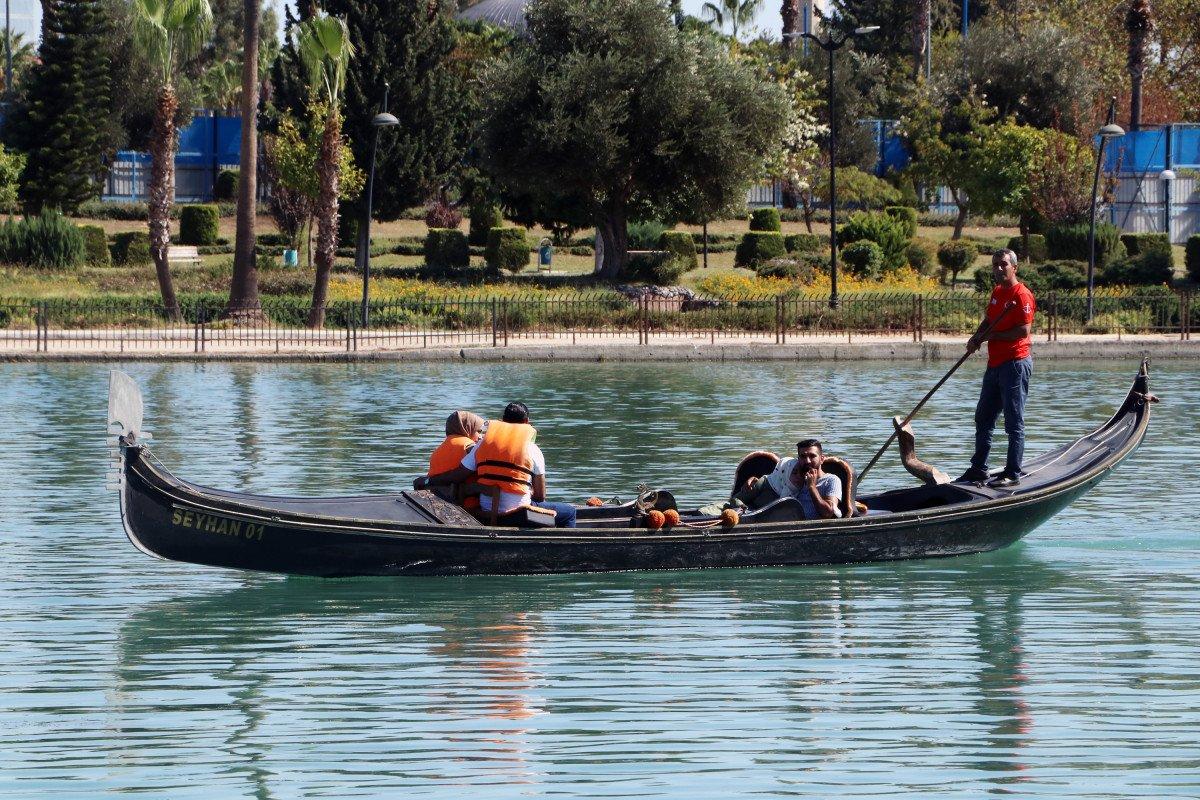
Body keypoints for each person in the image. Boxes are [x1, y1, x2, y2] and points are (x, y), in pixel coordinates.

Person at [415, 402, 577, 528]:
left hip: (486, 512)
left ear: (502, 420)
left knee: (547, 512)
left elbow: (457, 475)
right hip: (520, 516)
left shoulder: (482, 444)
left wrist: (428, 480)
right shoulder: (532, 449)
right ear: (527, 422)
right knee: (569, 513)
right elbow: (540, 497)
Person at [960, 248, 1036, 487]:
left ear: (1014, 267)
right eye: (995, 265)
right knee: (983, 417)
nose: (999, 268)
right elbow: (989, 320)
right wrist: (976, 337)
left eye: (1004, 264)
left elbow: (1023, 330)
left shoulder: (1022, 295)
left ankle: (1012, 473)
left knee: (1013, 421)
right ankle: (979, 469)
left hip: (1015, 364)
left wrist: (991, 335)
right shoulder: (997, 292)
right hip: (994, 364)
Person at [740, 439, 842, 519]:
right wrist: (756, 481)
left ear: (822, 458)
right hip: (785, 523)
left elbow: (827, 513)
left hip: (812, 528)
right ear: (798, 459)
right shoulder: (796, 478)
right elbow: (774, 482)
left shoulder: (831, 480)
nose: (807, 461)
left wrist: (812, 487)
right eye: (803, 456)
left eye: (812, 456)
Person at [427, 411, 484, 476]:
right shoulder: (470, 447)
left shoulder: (438, 450)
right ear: (468, 428)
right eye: (478, 431)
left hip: (434, 482)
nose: (481, 436)